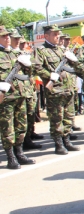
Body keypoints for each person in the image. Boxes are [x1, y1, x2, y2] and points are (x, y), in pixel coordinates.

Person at [32, 25, 79, 155]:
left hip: (67, 88)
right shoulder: (41, 50)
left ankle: (67, 140)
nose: (58, 37)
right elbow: (36, 67)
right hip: (55, 91)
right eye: (54, 35)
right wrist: (49, 75)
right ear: (46, 36)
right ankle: (58, 144)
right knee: (56, 118)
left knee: (68, 116)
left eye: (58, 34)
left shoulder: (61, 50)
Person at [0, 28, 36, 169]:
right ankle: (10, 157)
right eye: (4, 36)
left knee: (21, 126)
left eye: (8, 36)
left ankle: (19, 152)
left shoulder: (17, 54)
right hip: (6, 97)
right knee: (8, 128)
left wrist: (28, 65)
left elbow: (29, 73)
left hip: (21, 95)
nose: (7, 38)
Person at [9, 30, 42, 150]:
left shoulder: (22, 54)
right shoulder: (7, 54)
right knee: (11, 123)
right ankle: (13, 148)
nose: (18, 41)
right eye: (15, 39)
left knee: (27, 118)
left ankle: (26, 140)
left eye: (19, 39)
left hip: (26, 90)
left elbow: (32, 72)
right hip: (11, 94)